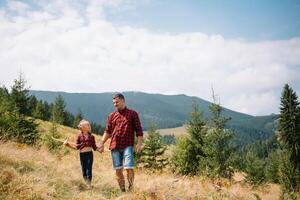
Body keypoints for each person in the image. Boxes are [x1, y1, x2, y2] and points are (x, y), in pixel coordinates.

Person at [98, 93, 143, 192]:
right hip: (114, 146)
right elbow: (107, 131)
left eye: (117, 102)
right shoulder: (111, 116)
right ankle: (123, 191)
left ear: (123, 101)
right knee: (118, 170)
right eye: (114, 102)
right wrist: (101, 143)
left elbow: (139, 130)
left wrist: (139, 144)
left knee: (129, 167)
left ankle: (131, 188)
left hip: (128, 145)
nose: (115, 104)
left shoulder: (132, 114)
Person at [64, 119, 98, 189]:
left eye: (89, 125)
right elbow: (76, 147)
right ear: (83, 127)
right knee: (84, 169)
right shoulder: (79, 136)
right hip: (82, 155)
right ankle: (86, 182)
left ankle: (89, 184)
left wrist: (100, 149)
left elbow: (94, 147)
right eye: (87, 125)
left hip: (89, 154)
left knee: (89, 168)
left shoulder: (92, 137)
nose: (89, 126)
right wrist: (67, 145)